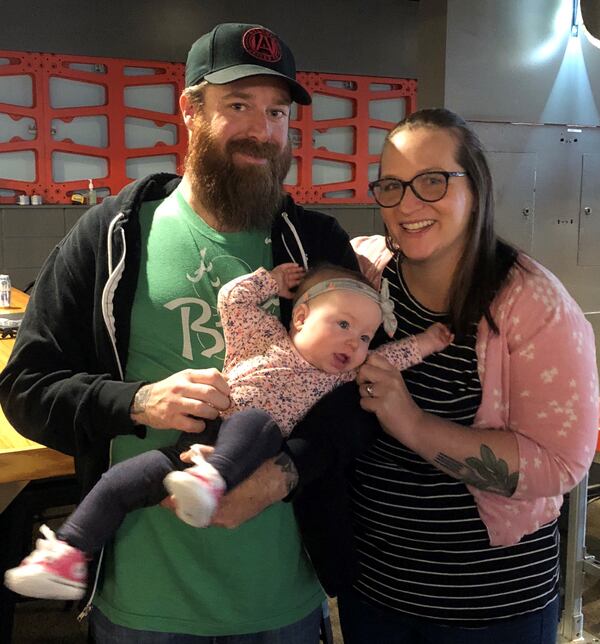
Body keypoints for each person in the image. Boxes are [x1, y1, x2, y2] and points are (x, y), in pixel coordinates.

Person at [0, 22, 360, 643]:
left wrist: (284, 475)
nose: (261, 130)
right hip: (141, 604)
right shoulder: (111, 236)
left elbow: (357, 405)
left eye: (277, 112)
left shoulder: (318, 246)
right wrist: (137, 400)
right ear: (190, 110)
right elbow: (27, 388)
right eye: (238, 106)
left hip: (280, 601)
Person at [4, 262, 451, 601]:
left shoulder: (340, 380)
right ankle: (65, 554)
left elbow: (393, 358)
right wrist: (269, 281)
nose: (354, 343)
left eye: (365, 337)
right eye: (343, 325)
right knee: (118, 481)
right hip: (194, 445)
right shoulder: (259, 337)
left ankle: (210, 480)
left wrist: (429, 342)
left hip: (247, 451)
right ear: (300, 319)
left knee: (258, 422)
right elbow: (231, 299)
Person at [325, 107, 599, 643]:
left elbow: (560, 465)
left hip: (493, 608)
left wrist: (412, 423)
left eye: (432, 182)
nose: (408, 205)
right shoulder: (362, 274)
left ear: (475, 187)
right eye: (392, 186)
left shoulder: (532, 305)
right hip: (373, 591)